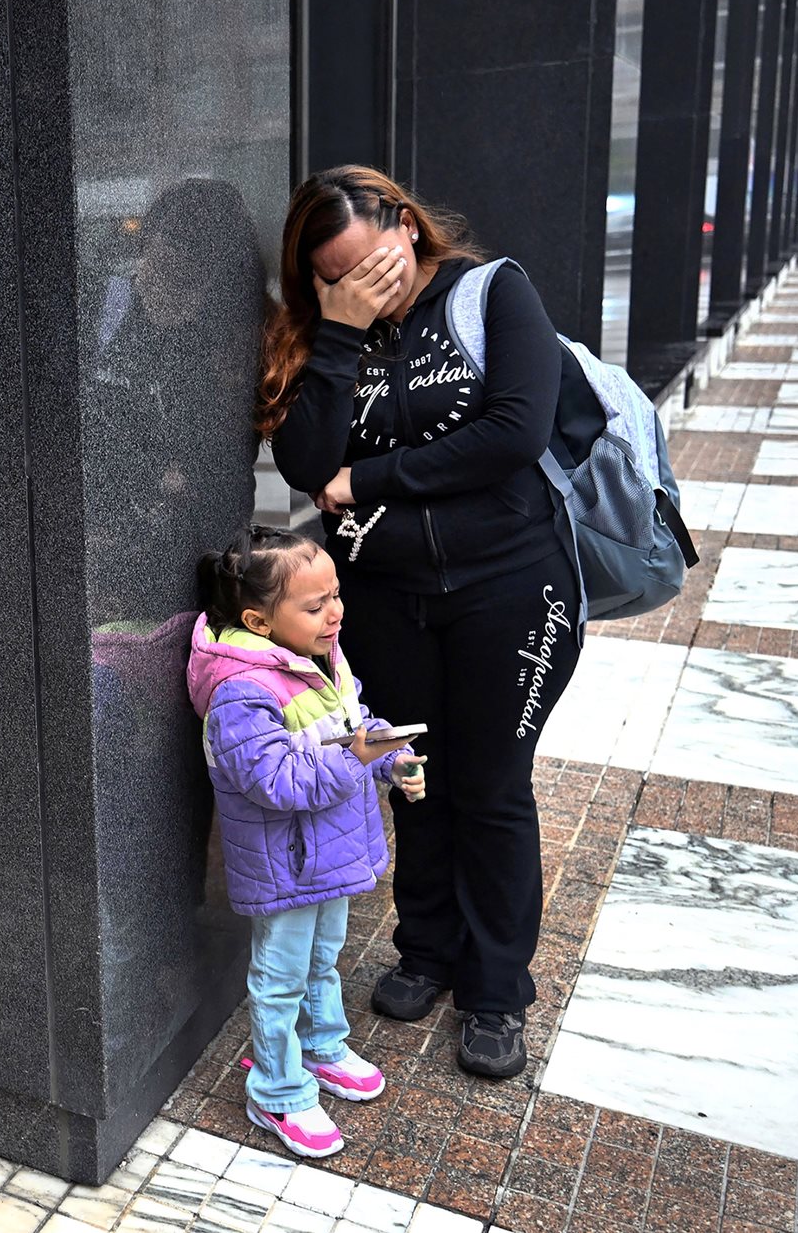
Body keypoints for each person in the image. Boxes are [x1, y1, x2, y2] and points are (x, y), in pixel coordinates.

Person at [263, 165, 582, 1079]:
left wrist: (372, 479)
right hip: (388, 601)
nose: (366, 283)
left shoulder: (492, 294)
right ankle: (429, 948)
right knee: (416, 777)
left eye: (371, 261)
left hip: (511, 590)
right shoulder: (329, 334)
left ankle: (494, 991)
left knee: (489, 786)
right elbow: (303, 458)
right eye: (336, 277)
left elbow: (516, 431)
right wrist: (337, 336)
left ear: (405, 223)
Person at [186, 526, 425, 1159]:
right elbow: (276, 781)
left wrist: (387, 758)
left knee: (324, 958)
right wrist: (358, 755)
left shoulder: (321, 660)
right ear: (257, 621)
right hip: (287, 862)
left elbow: (355, 726)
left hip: (331, 850)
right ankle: (277, 1090)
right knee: (280, 976)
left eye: (335, 596)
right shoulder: (241, 691)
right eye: (314, 606)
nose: (335, 613)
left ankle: (321, 1046)